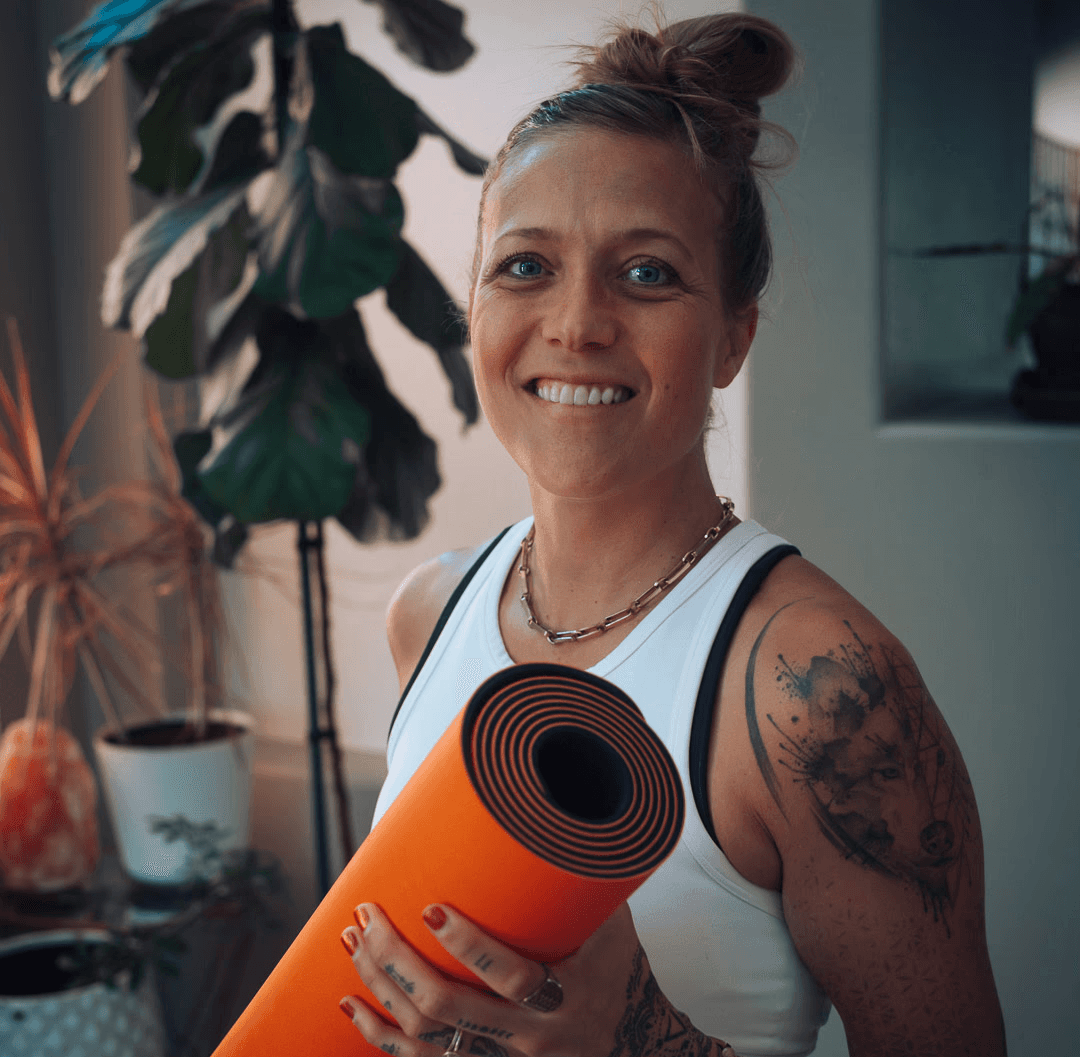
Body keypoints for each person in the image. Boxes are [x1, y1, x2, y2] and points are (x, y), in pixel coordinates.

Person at [335, 11, 1007, 1057]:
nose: (575, 324)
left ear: (735, 333)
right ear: (473, 303)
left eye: (647, 273)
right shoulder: (430, 611)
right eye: (524, 266)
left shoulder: (823, 693)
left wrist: (636, 1035)